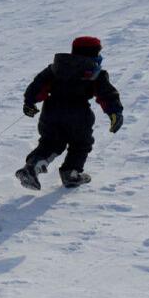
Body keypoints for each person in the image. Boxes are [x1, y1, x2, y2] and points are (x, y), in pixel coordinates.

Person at [15, 36, 124, 190]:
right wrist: (115, 112)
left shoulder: (56, 67)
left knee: (51, 142)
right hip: (79, 113)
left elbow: (37, 85)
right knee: (81, 144)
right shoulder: (95, 72)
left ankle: (32, 167)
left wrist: (30, 102)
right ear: (94, 53)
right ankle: (70, 173)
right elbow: (107, 94)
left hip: (51, 111)